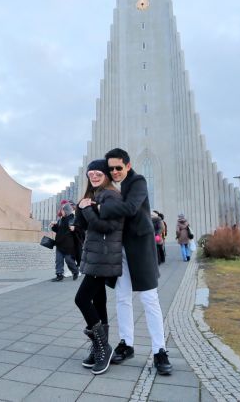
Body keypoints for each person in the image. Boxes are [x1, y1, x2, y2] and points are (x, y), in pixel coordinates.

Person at [97, 148, 172, 375]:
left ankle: (159, 350)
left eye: (118, 167)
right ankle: (126, 344)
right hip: (120, 249)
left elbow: (130, 208)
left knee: (149, 298)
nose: (115, 171)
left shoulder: (138, 181)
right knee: (122, 297)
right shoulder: (110, 185)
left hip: (140, 247)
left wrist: (101, 208)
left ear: (127, 166)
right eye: (111, 168)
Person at [74, 159, 124, 375]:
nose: (93, 176)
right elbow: (83, 225)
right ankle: (99, 349)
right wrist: (82, 207)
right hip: (96, 255)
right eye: (90, 173)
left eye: (98, 173)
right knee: (98, 300)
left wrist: (87, 209)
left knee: (82, 299)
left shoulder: (111, 196)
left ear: (106, 175)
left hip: (103, 256)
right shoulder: (96, 195)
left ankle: (103, 347)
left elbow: (106, 227)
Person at [51, 200, 79, 281]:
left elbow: (80, 229)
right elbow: (58, 230)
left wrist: (75, 228)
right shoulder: (61, 220)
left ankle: (75, 271)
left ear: (66, 211)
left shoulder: (73, 219)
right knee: (58, 260)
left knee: (68, 260)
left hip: (68, 245)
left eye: (63, 210)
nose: (61, 211)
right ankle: (59, 275)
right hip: (59, 244)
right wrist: (54, 226)